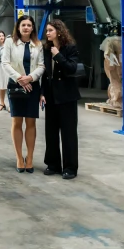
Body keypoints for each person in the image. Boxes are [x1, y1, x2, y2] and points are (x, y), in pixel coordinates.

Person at [2, 16, 45, 173]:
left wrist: (30, 78)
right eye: (23, 25)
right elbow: (5, 63)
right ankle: (19, 158)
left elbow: (41, 65)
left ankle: (30, 157)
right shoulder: (9, 42)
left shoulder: (38, 44)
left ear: (32, 28)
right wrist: (20, 78)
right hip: (16, 85)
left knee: (31, 122)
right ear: (18, 27)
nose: (26, 27)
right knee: (17, 121)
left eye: (29, 25)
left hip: (32, 86)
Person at [41, 19, 82, 180]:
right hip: (50, 95)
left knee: (68, 133)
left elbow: (72, 68)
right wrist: (42, 93)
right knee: (50, 132)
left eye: (50, 30)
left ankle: (70, 167)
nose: (47, 33)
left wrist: (58, 56)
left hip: (67, 96)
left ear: (59, 31)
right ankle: (53, 164)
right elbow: (45, 73)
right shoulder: (46, 49)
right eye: (47, 31)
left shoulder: (70, 48)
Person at [0, 31, 9, 111]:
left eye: (2, 35)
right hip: (0, 66)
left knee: (8, 86)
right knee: (1, 86)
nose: (1, 37)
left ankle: (10, 105)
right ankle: (2, 103)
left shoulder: (7, 45)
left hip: (7, 66)